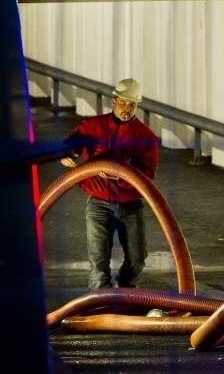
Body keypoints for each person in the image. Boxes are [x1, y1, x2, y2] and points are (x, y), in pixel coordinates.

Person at [60, 78, 159, 290]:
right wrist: (68, 153)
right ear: (114, 101)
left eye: (132, 104)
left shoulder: (145, 137)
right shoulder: (93, 126)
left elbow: (148, 174)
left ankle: (125, 291)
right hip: (98, 203)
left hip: (131, 204)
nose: (127, 108)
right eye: (123, 102)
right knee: (98, 263)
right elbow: (73, 142)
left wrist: (122, 175)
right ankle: (98, 308)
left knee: (137, 259)